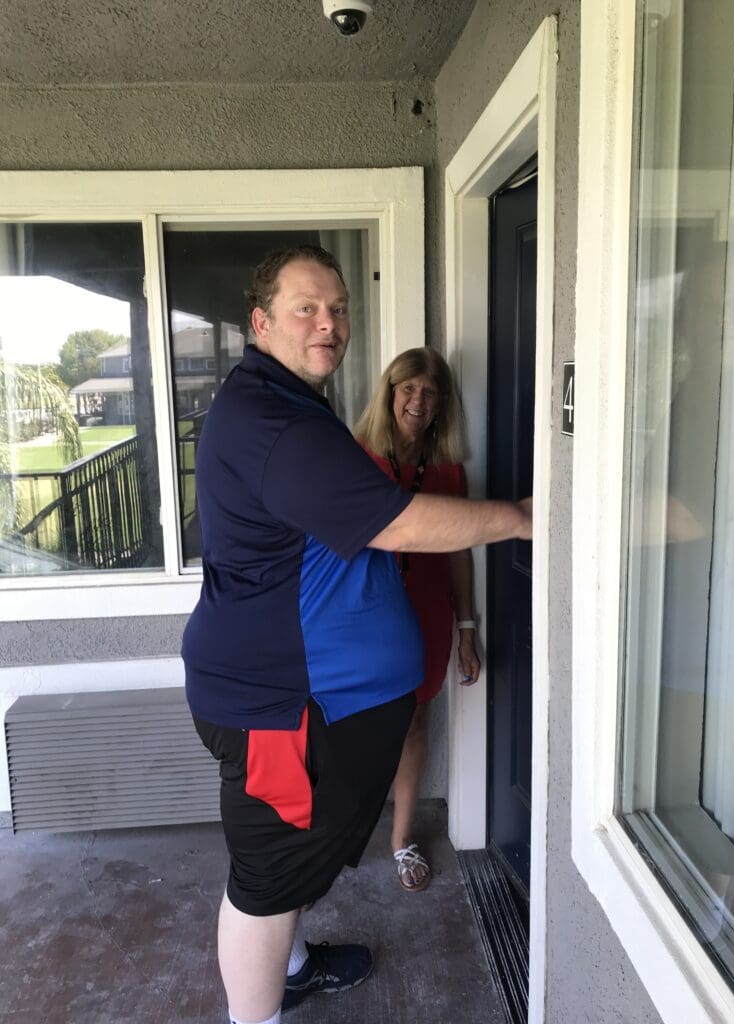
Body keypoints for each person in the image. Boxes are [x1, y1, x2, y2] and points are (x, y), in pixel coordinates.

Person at [182, 244, 532, 1024]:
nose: (329, 322)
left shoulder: (290, 403)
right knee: (265, 884)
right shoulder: (275, 423)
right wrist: (521, 517)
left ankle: (294, 966)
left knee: (283, 864)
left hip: (302, 699)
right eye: (306, 307)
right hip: (283, 708)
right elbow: (399, 523)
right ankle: (258, 1014)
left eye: (338, 307)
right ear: (261, 320)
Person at [355, 348, 479, 892]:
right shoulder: (357, 455)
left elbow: (461, 550)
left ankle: (401, 838)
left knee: (413, 723)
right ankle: (343, 834)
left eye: (429, 392)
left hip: (427, 609)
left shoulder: (448, 467)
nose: (417, 400)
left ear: (440, 404)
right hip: (367, 610)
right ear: (389, 392)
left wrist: (467, 629)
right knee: (357, 726)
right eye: (408, 388)